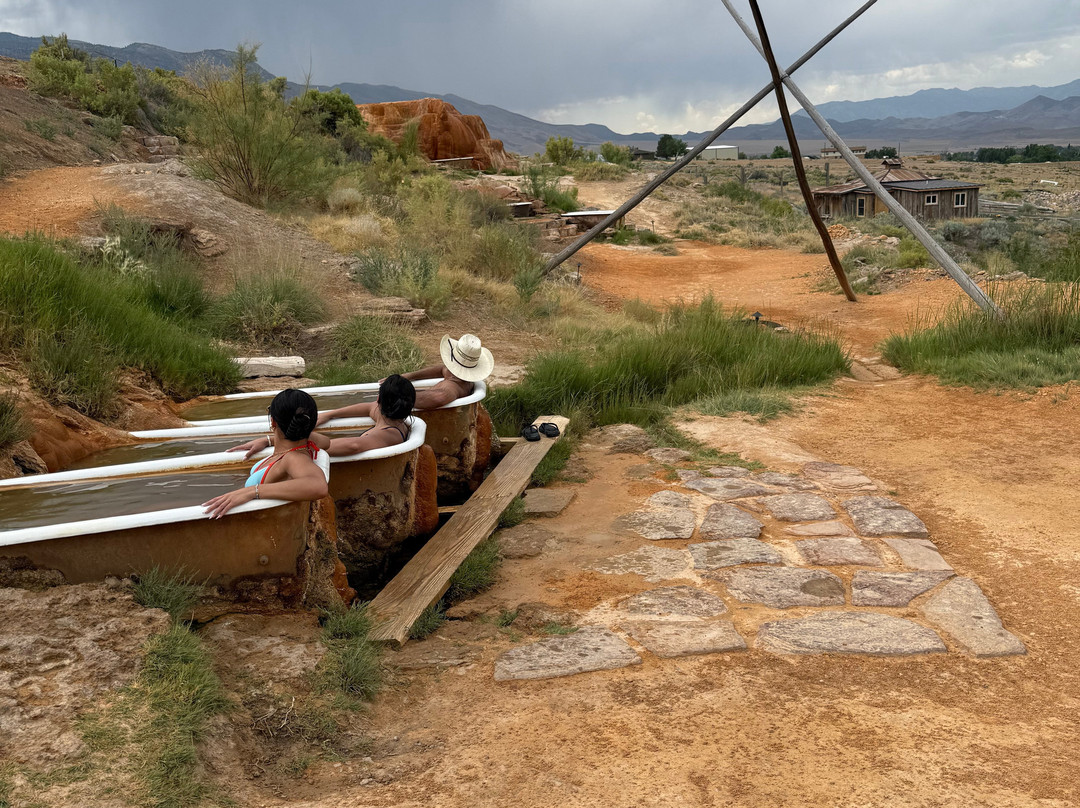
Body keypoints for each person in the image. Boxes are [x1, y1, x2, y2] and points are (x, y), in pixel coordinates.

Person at [315, 333, 494, 426]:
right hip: (403, 403)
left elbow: (439, 397)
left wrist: (395, 394)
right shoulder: (455, 375)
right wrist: (408, 377)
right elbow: (441, 369)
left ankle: (329, 414)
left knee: (366, 406)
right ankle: (330, 414)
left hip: (402, 412)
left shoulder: (451, 390)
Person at [202, 389, 328, 519]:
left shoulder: (293, 458)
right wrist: (268, 440)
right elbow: (326, 441)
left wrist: (253, 491)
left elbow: (318, 486)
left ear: (273, 422)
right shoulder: (302, 446)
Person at [231, 375, 417, 460]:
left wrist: (272, 440)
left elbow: (352, 445)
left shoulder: (386, 434)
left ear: (379, 399)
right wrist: (330, 414)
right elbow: (368, 408)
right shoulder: (395, 420)